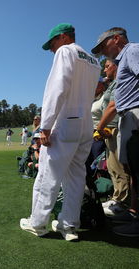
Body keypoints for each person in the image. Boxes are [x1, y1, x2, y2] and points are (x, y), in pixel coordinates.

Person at [20, 23, 100, 241]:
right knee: (76, 178)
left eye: (53, 44)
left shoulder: (66, 51)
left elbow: (58, 89)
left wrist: (45, 125)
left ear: (64, 38)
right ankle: (69, 226)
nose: (52, 50)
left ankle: (38, 223)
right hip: (85, 125)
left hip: (65, 123)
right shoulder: (94, 60)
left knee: (49, 175)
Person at [91, 27, 139, 236]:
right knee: (133, 171)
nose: (102, 52)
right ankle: (134, 213)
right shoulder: (123, 61)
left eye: (103, 46)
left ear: (116, 39)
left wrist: (100, 127)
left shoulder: (133, 50)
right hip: (128, 118)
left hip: (135, 115)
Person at [96, 59, 130, 216]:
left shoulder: (119, 83)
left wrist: (101, 126)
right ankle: (117, 197)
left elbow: (113, 106)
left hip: (115, 128)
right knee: (111, 166)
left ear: (116, 66)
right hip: (108, 130)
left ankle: (122, 202)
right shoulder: (112, 83)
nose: (105, 70)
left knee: (119, 167)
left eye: (107, 66)